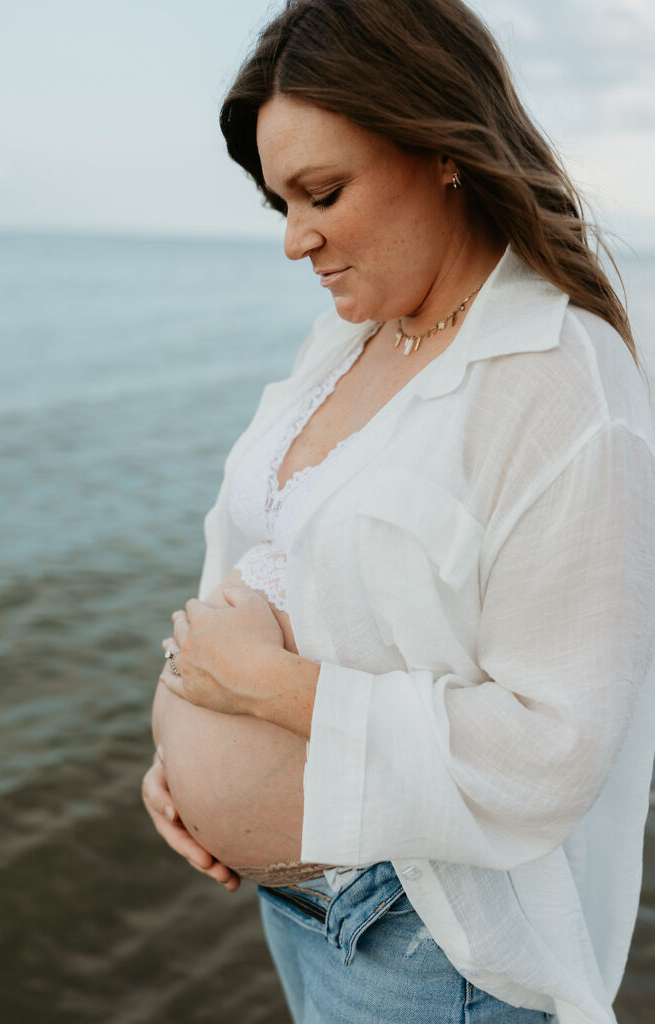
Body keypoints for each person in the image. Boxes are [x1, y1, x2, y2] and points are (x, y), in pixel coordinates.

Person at [141, 1, 655, 1021]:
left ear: (438, 148)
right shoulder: (351, 340)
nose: (294, 241)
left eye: (319, 192)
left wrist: (271, 688)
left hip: (423, 948)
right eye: (278, 203)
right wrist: (180, 755)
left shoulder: (556, 386)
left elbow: (551, 748)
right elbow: (265, 546)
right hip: (298, 908)